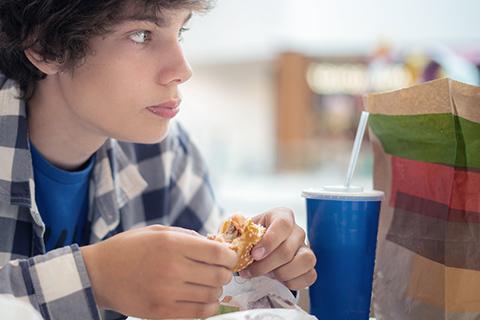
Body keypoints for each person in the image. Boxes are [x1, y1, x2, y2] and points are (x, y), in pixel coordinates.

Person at [0, 1, 317, 319]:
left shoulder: (166, 156)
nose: (182, 70)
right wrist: (94, 279)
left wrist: (262, 272)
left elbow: (216, 297)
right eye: (141, 35)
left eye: (181, 30)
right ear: (45, 47)